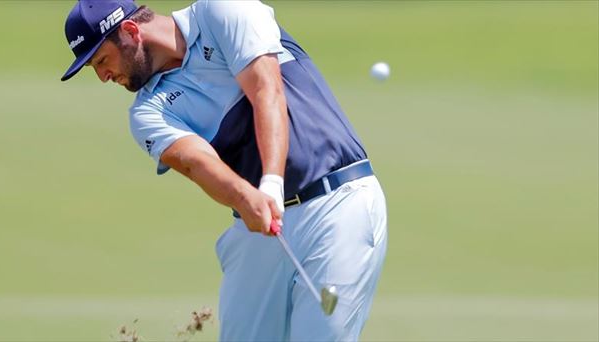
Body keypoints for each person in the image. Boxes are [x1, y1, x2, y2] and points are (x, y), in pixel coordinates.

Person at [61, 0, 388, 340]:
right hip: (258, 228)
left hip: (336, 204)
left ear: (130, 32)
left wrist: (271, 184)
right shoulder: (146, 114)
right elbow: (196, 162)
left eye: (102, 61)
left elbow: (266, 90)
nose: (102, 77)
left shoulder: (224, 11)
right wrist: (246, 196)